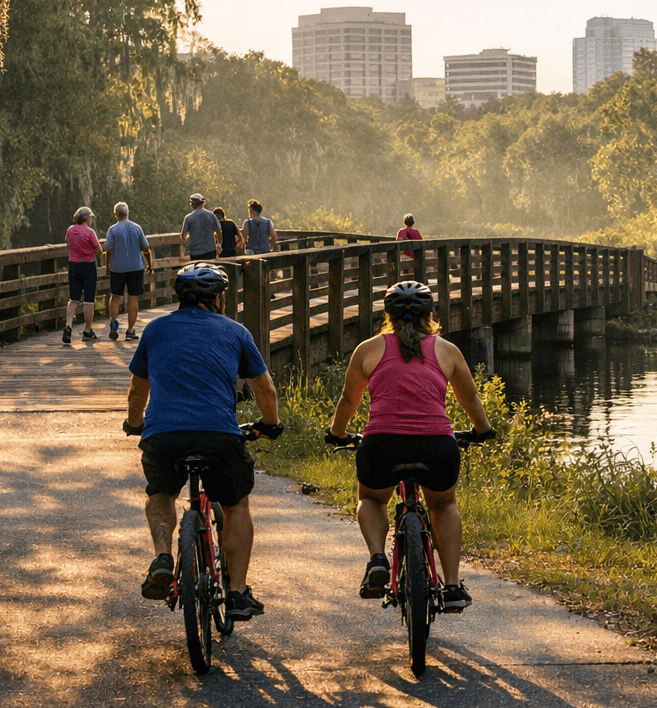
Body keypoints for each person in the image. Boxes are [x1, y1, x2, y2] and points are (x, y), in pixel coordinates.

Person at [124, 263, 284, 619]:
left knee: (161, 495)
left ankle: (163, 557)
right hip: (219, 434)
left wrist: (135, 424)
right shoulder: (236, 331)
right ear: (218, 298)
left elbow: (138, 390)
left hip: (163, 435)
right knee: (235, 505)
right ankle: (239, 593)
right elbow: (265, 389)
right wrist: (270, 424)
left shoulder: (154, 330)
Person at [325, 281, 494, 612]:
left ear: (387, 315)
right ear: (430, 314)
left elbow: (349, 399)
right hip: (437, 446)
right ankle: (452, 586)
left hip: (382, 445)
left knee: (372, 498)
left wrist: (338, 433)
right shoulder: (446, 350)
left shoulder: (368, 349)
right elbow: (469, 396)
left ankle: (377, 558)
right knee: (443, 506)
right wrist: (482, 430)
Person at [104, 202, 154, 342]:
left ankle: (114, 323)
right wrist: (150, 265)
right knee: (133, 299)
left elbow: (107, 249)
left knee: (115, 296)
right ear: (127, 213)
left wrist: (107, 268)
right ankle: (130, 330)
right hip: (136, 268)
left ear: (116, 214)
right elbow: (146, 248)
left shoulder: (112, 229)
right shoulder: (137, 228)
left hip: (117, 268)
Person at [63, 206, 101, 345]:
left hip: (73, 265)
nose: (91, 219)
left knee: (73, 298)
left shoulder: (70, 230)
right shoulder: (90, 232)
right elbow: (99, 250)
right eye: (90, 217)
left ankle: (68, 326)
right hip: (88, 266)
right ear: (86, 218)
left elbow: (68, 245)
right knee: (89, 299)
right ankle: (87, 330)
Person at [181, 193, 221, 260]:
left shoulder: (188, 218)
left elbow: (183, 236)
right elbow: (219, 232)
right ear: (203, 203)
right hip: (210, 251)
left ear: (192, 204)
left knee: (197, 270)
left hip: (195, 253)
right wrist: (219, 244)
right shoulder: (211, 215)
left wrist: (188, 239)